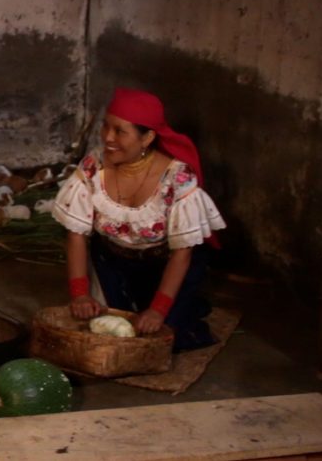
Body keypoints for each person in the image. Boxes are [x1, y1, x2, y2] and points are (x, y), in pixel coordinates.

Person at [52, 87, 226, 351]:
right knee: (107, 330)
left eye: (120, 131)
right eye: (106, 127)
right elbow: (76, 235)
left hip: (166, 262)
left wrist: (158, 309)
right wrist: (80, 294)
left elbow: (182, 253)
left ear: (147, 138)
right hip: (113, 261)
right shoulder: (93, 167)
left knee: (162, 339)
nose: (108, 138)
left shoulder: (176, 178)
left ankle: (184, 302)